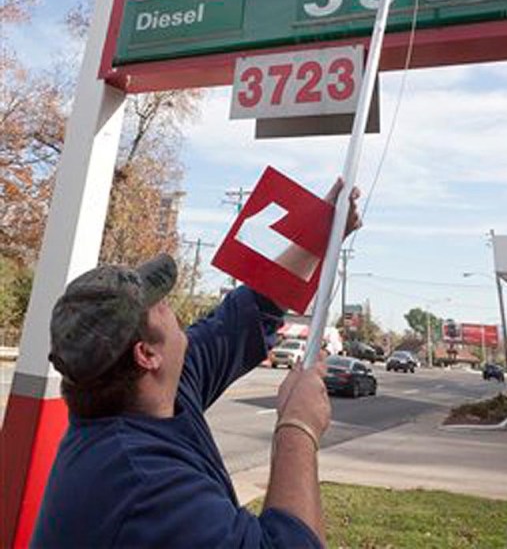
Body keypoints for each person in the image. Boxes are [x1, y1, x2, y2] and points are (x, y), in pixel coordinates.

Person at [32, 182, 360, 548]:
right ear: (147, 354)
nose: (169, 306)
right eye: (158, 303)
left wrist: (321, 235)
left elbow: (250, 312)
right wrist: (297, 426)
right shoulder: (141, 483)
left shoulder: (161, 392)